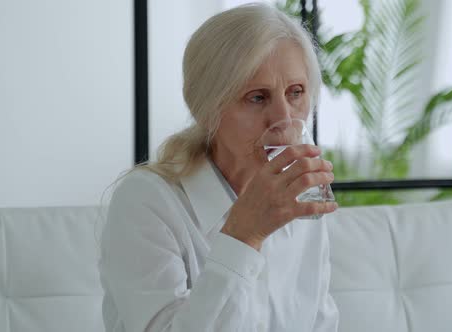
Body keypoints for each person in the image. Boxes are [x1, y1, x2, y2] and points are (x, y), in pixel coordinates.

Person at [98, 3, 339, 332]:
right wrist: (243, 236)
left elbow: (321, 322)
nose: (284, 119)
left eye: (295, 92)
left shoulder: (301, 198)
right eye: (257, 97)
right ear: (206, 108)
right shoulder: (145, 202)